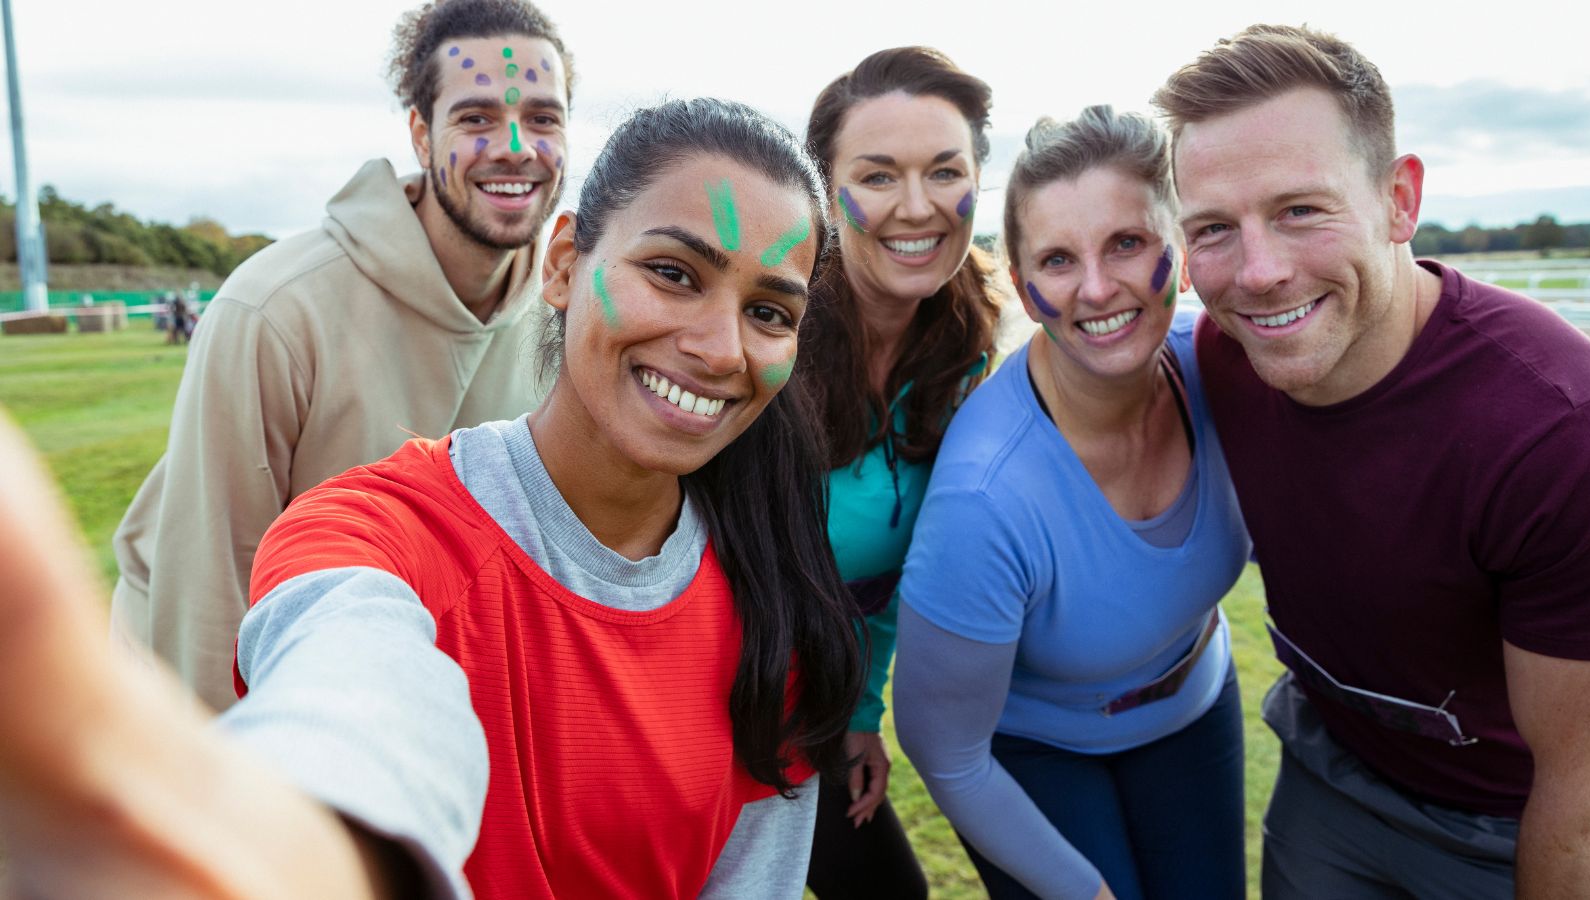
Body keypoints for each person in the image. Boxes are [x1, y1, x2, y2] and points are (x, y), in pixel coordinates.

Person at [0, 97, 863, 900]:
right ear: (563, 265)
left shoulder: (776, 592)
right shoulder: (371, 529)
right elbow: (357, 686)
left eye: (769, 313)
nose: (720, 348)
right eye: (673, 273)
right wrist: (318, 846)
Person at [1154, 25, 1590, 899]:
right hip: (1326, 769)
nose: (1259, 272)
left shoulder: (1558, 431)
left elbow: (1583, 799)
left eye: (1300, 210)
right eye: (1213, 228)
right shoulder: (1220, 355)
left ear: (1400, 200)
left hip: (1504, 824)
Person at [111, 0, 575, 711]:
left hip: (399, 699)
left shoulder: (566, 317)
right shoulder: (271, 310)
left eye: (543, 118)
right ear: (421, 134)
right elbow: (205, 595)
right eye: (476, 118)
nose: (515, 145)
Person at [894, 106, 1250, 900]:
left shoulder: (1233, 377)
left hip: (1194, 706)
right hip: (1031, 756)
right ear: (1023, 285)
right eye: (1058, 260)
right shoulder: (986, 497)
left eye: (1127, 243)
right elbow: (942, 747)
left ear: (1181, 253)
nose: (1097, 288)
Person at [799, 46, 1004, 898]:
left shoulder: (965, 352)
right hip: (696, 718)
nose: (916, 208)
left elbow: (885, 579)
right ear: (825, 188)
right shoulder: (769, 331)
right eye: (877, 176)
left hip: (813, 718)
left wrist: (857, 716)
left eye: (944, 171)